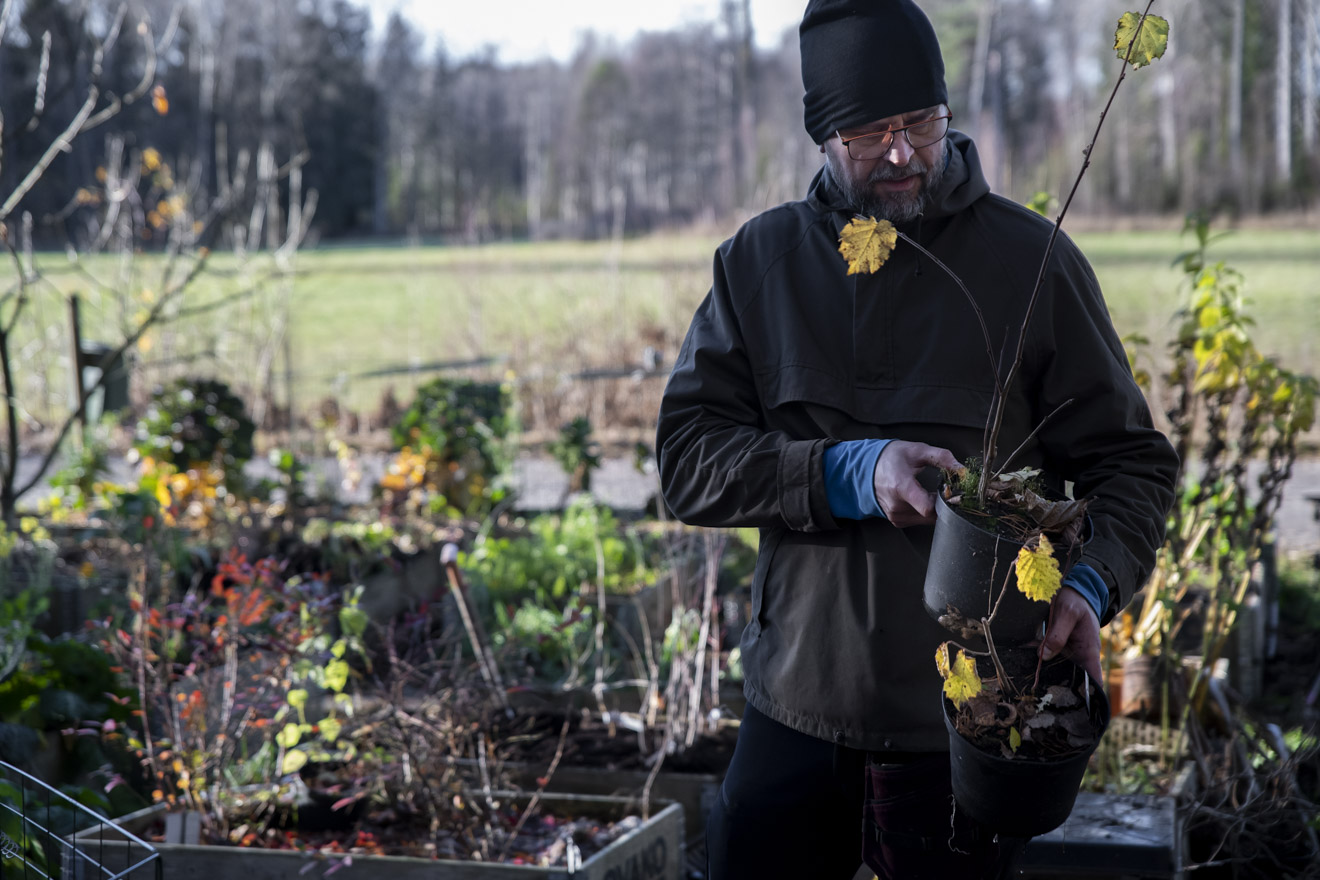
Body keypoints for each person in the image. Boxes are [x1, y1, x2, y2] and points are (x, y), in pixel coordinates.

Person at [654, 1, 1180, 877]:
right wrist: (851, 471)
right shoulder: (760, 266)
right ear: (822, 135)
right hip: (797, 706)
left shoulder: (1030, 261)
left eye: (921, 123)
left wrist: (1090, 584)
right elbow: (687, 462)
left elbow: (1132, 464)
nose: (902, 154)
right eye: (869, 133)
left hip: (974, 722)